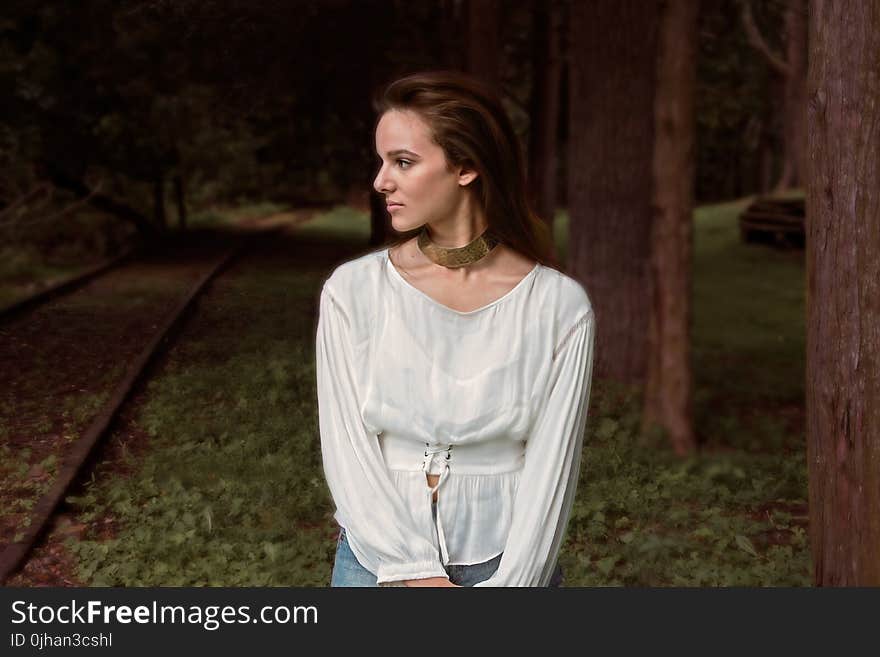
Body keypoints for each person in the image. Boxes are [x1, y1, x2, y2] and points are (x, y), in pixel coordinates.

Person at [315, 70, 596, 587]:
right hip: (375, 564)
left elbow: (554, 464)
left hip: (510, 564)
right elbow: (346, 446)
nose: (380, 181)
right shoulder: (353, 291)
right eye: (382, 162)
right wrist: (411, 573)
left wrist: (513, 586)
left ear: (466, 167)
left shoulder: (558, 305)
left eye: (402, 161)